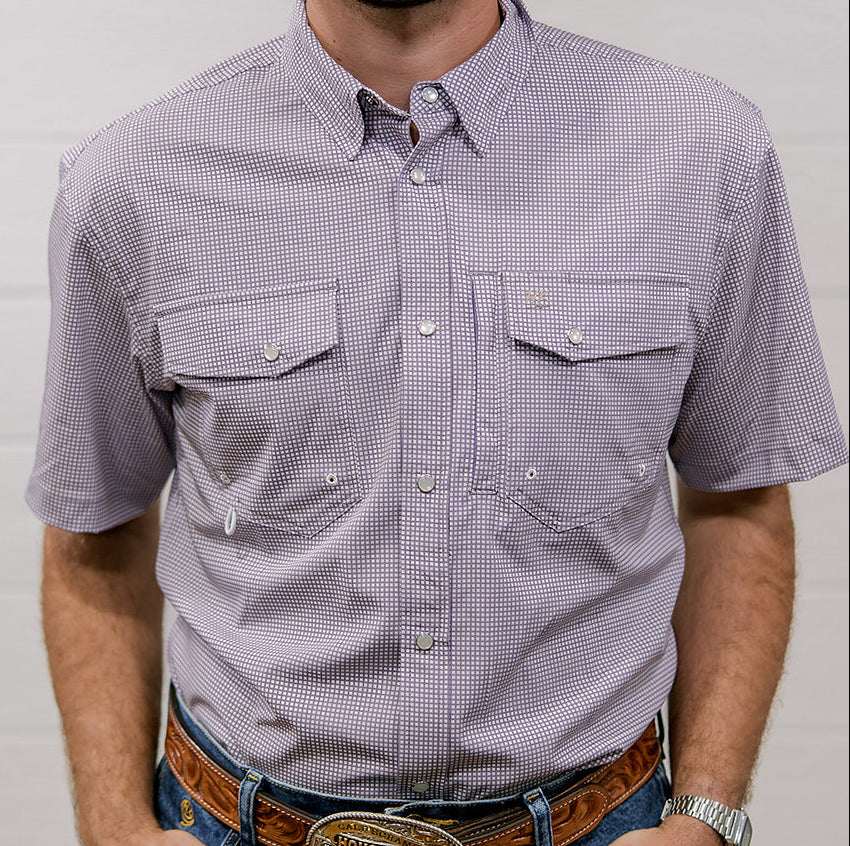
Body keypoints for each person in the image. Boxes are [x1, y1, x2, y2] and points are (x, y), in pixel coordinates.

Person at [27, 0, 847, 844]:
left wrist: (705, 816)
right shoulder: (132, 180)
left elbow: (739, 500)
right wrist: (115, 828)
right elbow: (95, 533)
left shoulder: (703, 151)